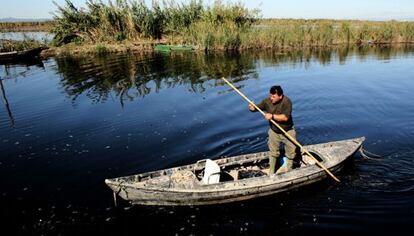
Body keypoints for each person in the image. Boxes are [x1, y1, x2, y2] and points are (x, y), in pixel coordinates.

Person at [248, 85, 296, 175]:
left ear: (280, 96)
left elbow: (285, 117)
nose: (271, 98)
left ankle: (289, 169)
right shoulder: (267, 101)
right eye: (270, 95)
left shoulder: (287, 102)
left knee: (291, 151)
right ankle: (271, 172)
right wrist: (252, 108)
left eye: (274, 96)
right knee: (273, 152)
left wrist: (272, 116)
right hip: (274, 131)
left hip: (288, 130)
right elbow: (257, 107)